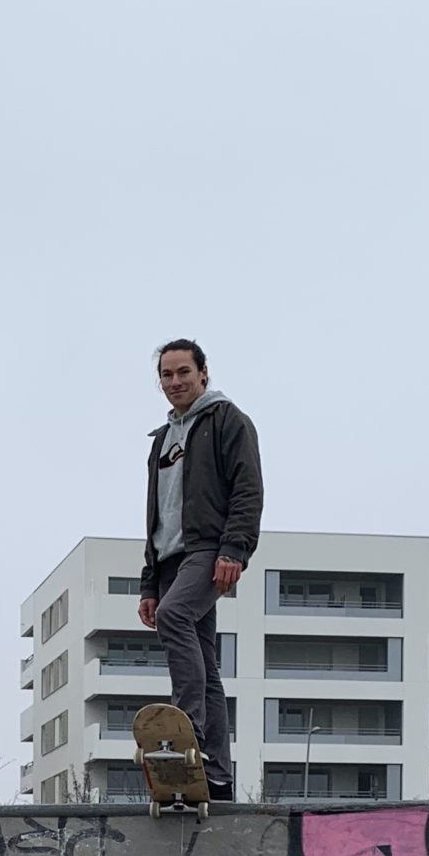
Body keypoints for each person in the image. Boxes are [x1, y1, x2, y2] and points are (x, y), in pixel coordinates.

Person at [137, 338, 262, 801]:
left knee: (175, 617)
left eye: (183, 373)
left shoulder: (227, 421)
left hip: (209, 548)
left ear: (203, 374)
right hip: (169, 557)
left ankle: (184, 728)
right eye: (166, 375)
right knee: (205, 662)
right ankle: (216, 771)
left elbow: (248, 488)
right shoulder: (163, 440)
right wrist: (149, 580)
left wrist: (235, 548)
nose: (175, 382)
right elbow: (156, 513)